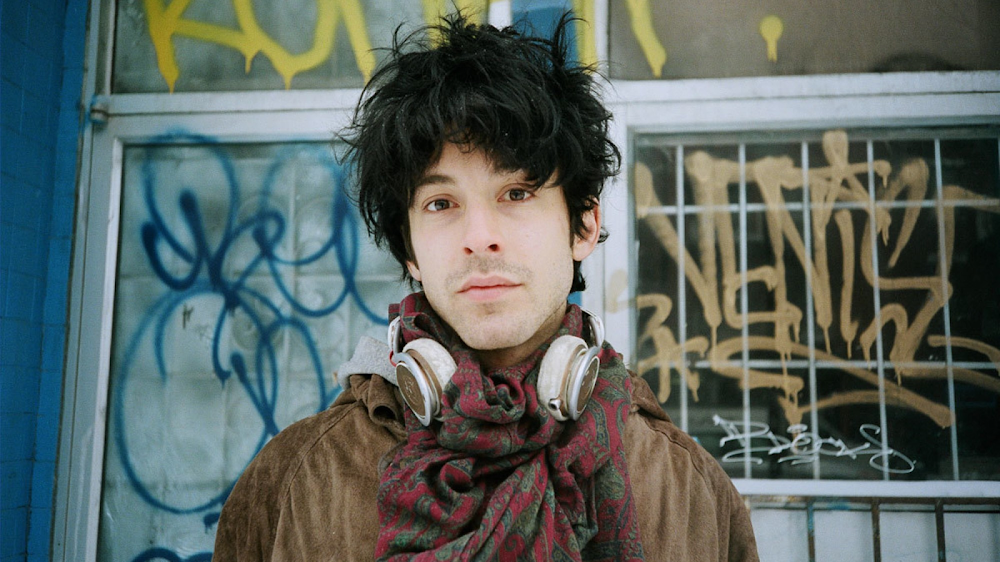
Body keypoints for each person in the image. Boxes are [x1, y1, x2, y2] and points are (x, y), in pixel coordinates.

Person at [214, 12, 758, 562]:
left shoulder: (689, 491)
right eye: (441, 203)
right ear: (409, 249)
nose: (479, 238)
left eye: (517, 193)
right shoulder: (295, 480)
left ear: (583, 226)